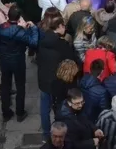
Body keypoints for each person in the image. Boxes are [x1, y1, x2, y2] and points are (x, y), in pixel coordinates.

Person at [0, 6, 40, 121]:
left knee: (5, 85)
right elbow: (33, 42)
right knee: (20, 86)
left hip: (5, 60)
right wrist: (33, 28)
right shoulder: (21, 32)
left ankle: (6, 112)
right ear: (19, 18)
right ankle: (20, 112)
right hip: (18, 61)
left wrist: (1, 54)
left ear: (8, 16)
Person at [38, 9, 79, 139]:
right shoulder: (62, 45)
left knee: (44, 109)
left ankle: (46, 135)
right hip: (57, 82)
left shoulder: (42, 40)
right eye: (63, 26)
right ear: (60, 26)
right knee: (59, 109)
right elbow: (72, 61)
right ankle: (59, 134)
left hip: (43, 80)